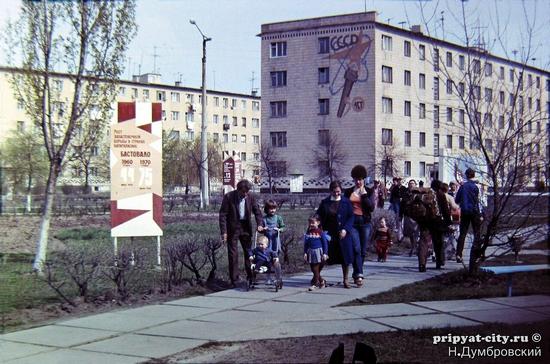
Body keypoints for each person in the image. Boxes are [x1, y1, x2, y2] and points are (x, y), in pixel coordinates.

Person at [219, 179, 263, 288]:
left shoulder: (251, 197)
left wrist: (260, 224)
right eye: (243, 192)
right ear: (238, 190)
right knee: (233, 254)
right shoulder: (229, 197)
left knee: (249, 253)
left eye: (246, 192)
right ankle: (235, 279)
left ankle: (251, 276)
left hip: (246, 227)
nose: (245, 194)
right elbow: (223, 214)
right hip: (233, 228)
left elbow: (257, 212)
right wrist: (224, 232)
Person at [316, 181, 359, 288]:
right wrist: (315, 227)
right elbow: (318, 216)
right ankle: (317, 277)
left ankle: (345, 280)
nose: (336, 194)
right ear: (330, 191)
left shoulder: (346, 202)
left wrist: (345, 229)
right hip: (328, 234)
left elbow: (351, 217)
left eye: (338, 192)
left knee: (345, 258)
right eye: (334, 192)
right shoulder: (325, 202)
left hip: (343, 235)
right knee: (323, 257)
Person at [343, 165, 374, 287]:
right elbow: (344, 206)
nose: (358, 181)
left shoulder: (369, 191)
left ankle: (357, 273)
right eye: (356, 179)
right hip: (353, 223)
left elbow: (371, 208)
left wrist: (364, 195)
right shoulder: (349, 192)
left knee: (362, 251)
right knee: (356, 249)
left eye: (360, 179)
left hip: (365, 222)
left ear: (364, 179)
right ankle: (359, 275)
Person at [454, 168, 482, 265]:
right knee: (477, 233)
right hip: (474, 211)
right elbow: (480, 201)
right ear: (474, 175)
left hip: (465, 211)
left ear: (466, 175)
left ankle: (459, 254)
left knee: (462, 234)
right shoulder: (477, 186)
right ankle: (477, 254)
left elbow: (457, 200)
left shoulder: (463, 187)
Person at [303, 215, 329, 291]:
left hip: (318, 252)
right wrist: (305, 252)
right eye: (310, 223)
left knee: (315, 268)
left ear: (318, 223)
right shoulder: (308, 232)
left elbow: (325, 243)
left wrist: (325, 253)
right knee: (313, 269)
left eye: (313, 223)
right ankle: (322, 281)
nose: (311, 224)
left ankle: (315, 284)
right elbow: (306, 243)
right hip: (310, 252)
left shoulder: (320, 232)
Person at [401, 179, 420, 257]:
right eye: (410, 183)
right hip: (407, 215)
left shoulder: (418, 194)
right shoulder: (405, 193)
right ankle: (414, 246)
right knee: (410, 233)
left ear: (415, 185)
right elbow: (402, 205)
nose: (411, 185)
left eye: (413, 183)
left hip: (416, 216)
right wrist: (400, 215)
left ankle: (415, 248)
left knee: (416, 232)